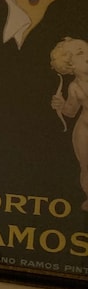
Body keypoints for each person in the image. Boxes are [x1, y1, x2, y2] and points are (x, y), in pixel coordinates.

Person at [50, 37, 88, 209]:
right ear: (70, 65)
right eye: (81, 53)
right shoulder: (74, 87)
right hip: (84, 131)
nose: (87, 54)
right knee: (86, 166)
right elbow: (71, 112)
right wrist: (61, 105)